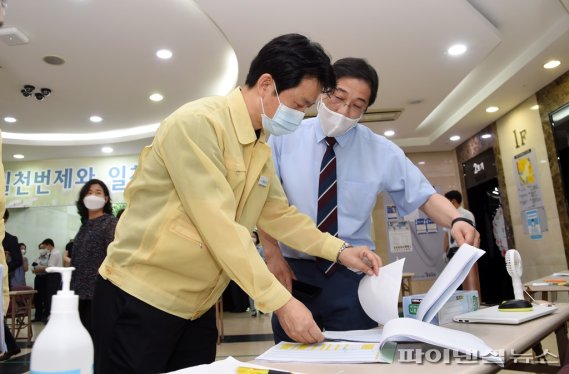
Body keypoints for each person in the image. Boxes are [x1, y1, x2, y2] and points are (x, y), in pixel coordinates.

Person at [92, 34, 381, 373]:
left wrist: (341, 250)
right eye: (300, 104)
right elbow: (220, 227)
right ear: (266, 83)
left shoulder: (260, 146)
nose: (302, 115)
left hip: (196, 307)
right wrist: (282, 302)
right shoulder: (198, 124)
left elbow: (280, 215)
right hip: (141, 298)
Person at [261, 57, 481, 343]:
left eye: (357, 106)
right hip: (294, 271)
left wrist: (457, 220)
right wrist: (272, 255)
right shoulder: (283, 138)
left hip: (354, 274)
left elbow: (424, 196)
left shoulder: (380, 150)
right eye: (338, 97)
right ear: (322, 91)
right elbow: (265, 202)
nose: (344, 110)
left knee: (358, 358)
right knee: (291, 360)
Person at [70, 179, 117, 336]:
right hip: (79, 290)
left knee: (97, 338)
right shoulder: (84, 226)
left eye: (98, 193)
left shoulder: (110, 223)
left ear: (106, 199)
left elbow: (114, 256)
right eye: (89, 193)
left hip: (99, 292)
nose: (93, 196)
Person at [443, 189, 479, 291]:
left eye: (447, 202)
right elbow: (446, 235)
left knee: (466, 278)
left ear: (453, 201)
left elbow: (472, 233)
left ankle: (470, 299)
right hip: (452, 251)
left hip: (463, 249)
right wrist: (445, 252)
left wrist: (469, 250)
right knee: (454, 280)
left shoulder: (467, 214)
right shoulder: (448, 215)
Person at [33, 239, 62, 322]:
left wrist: (40, 268)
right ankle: (48, 317)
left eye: (45, 247)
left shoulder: (54, 253)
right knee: (48, 297)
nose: (45, 249)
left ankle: (51, 317)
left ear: (49, 245)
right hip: (50, 276)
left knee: (51, 297)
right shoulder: (51, 253)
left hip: (54, 276)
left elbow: (50, 267)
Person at [31, 244, 50, 322]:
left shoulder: (49, 258)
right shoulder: (37, 259)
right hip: (38, 279)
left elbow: (47, 269)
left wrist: (40, 268)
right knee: (37, 298)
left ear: (46, 248)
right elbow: (33, 269)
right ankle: (37, 316)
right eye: (40, 248)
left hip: (45, 279)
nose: (41, 250)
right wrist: (41, 268)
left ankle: (46, 316)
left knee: (46, 298)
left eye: (43, 248)